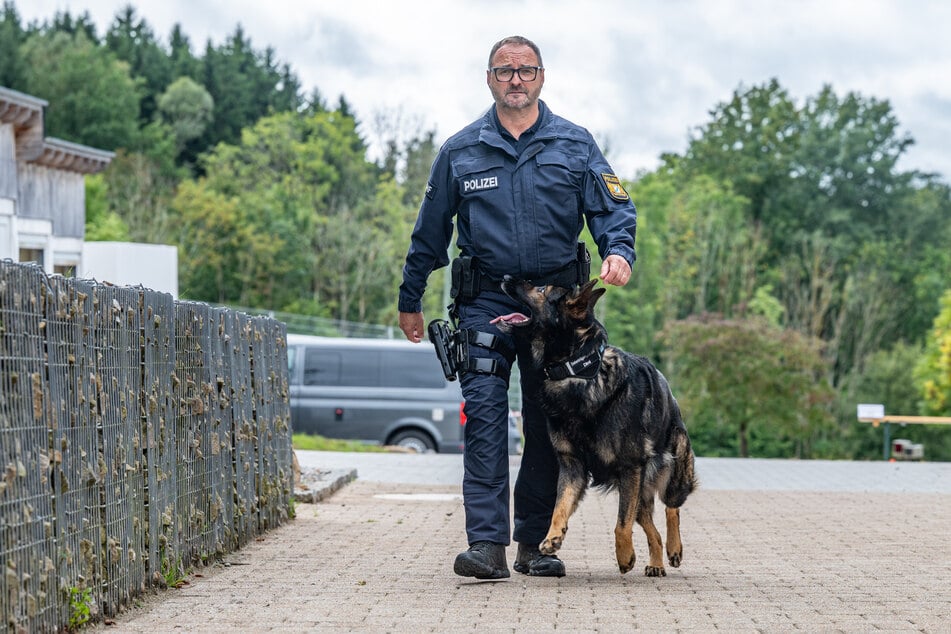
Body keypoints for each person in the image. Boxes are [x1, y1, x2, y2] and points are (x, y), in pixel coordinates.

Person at [397, 35, 636, 579]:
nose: (515, 80)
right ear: (489, 79)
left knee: (547, 423)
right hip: (484, 302)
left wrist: (619, 251)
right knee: (483, 415)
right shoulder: (460, 151)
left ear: (541, 77)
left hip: (554, 313)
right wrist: (410, 299)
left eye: (525, 71)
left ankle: (533, 543)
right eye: (504, 71)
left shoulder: (576, 146)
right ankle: (485, 545)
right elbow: (428, 236)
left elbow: (615, 209)